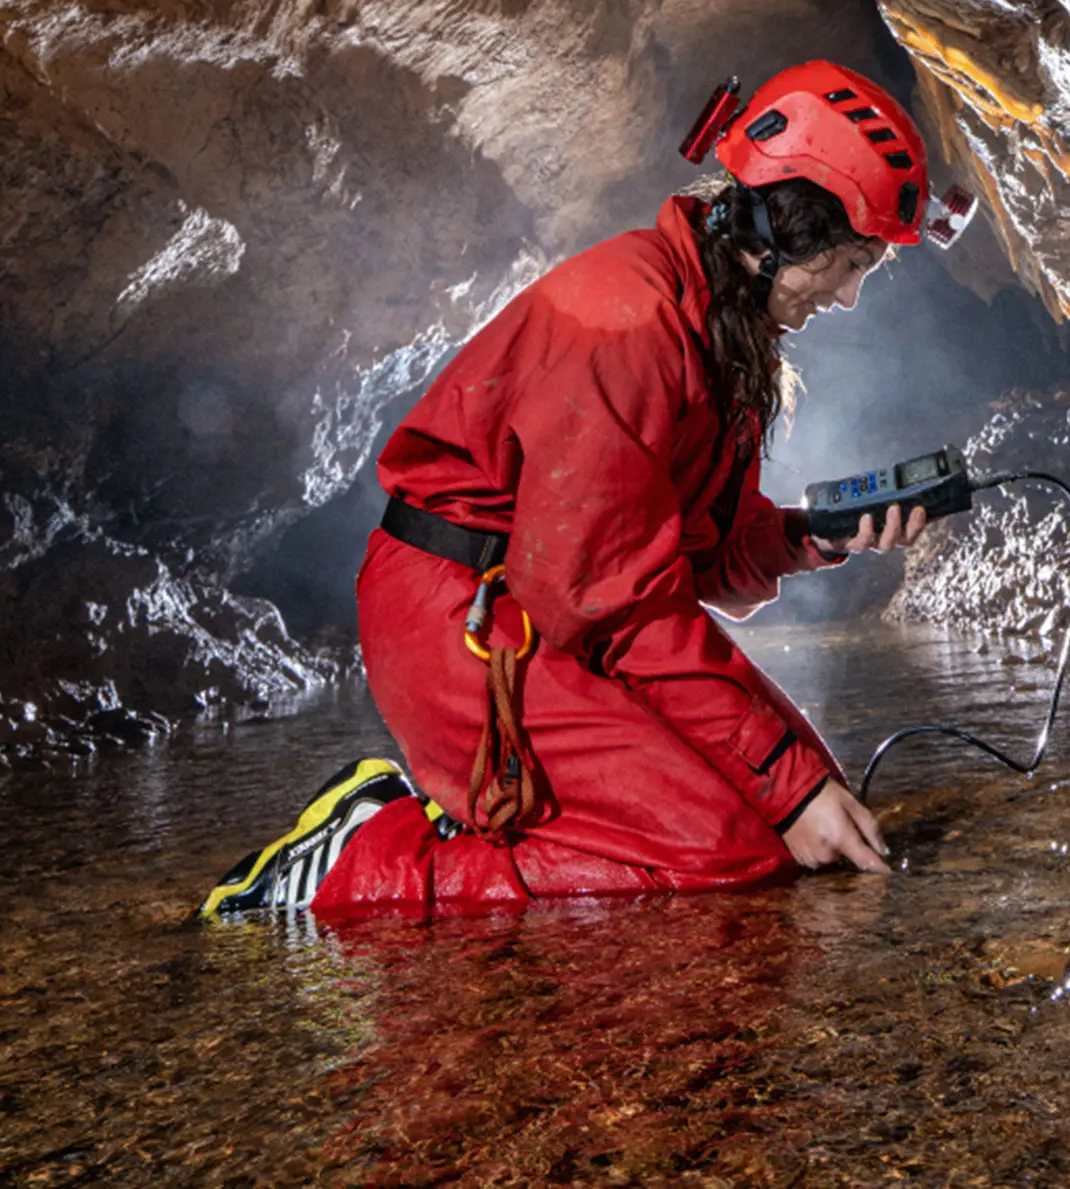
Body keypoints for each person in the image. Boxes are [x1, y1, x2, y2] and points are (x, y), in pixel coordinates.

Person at [199, 60, 939, 918]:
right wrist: (785, 785)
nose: (847, 297)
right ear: (785, 227)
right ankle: (358, 859)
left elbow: (694, 558)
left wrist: (817, 535)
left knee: (801, 817)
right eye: (847, 264)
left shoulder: (717, 332)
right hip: (463, 614)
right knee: (725, 849)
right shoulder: (628, 323)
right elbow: (609, 603)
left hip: (545, 604)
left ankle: (499, 819)